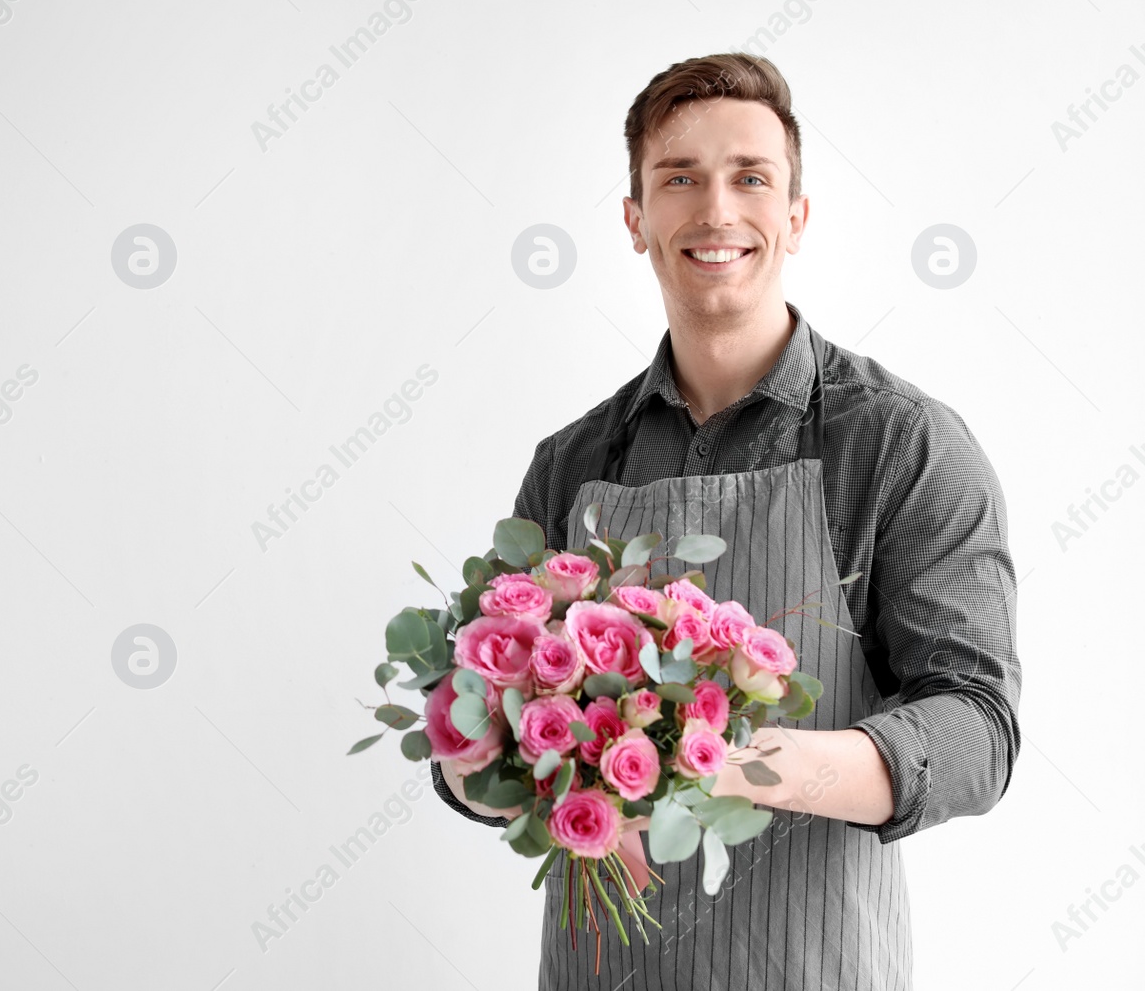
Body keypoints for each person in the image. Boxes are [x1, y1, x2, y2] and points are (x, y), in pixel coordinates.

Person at [429, 52, 1021, 990]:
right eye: (679, 179)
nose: (716, 210)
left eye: (751, 177)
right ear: (635, 220)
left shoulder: (900, 443)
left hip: (815, 963)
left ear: (797, 215)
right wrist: (482, 753)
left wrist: (744, 769)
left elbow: (978, 729)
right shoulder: (573, 464)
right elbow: (473, 756)